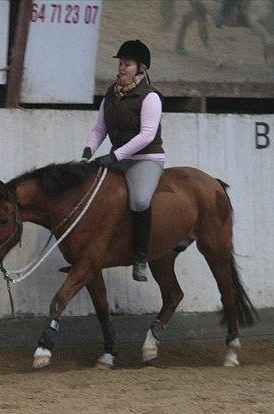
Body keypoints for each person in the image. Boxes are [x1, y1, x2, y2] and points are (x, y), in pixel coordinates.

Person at [81, 39, 165, 282]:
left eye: (127, 64)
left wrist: (114, 156)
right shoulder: (111, 94)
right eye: (120, 64)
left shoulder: (150, 97)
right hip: (117, 158)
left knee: (139, 200)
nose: (121, 68)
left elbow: (147, 134)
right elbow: (99, 129)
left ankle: (140, 258)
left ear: (141, 69)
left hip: (145, 158)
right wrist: (88, 151)